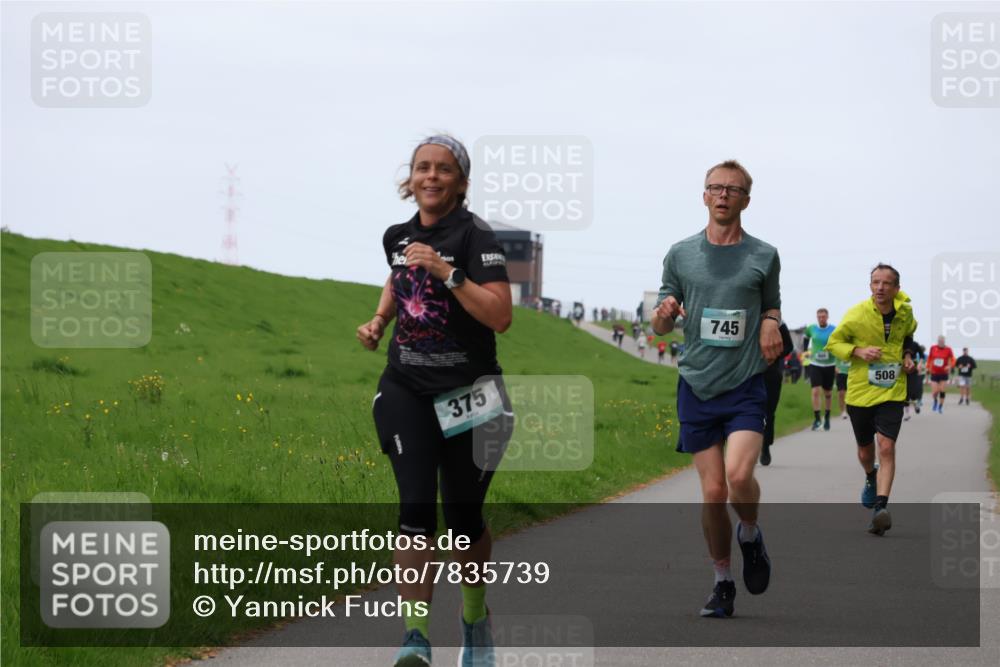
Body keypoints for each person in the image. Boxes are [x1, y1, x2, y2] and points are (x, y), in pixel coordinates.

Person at [357, 135, 514, 667]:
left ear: (461, 182)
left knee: (465, 520)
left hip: (472, 396)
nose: (430, 176)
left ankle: (474, 621)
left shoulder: (477, 237)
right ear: (411, 177)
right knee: (416, 509)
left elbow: (500, 316)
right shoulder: (397, 236)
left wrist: (448, 272)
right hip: (406, 388)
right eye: (422, 167)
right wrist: (380, 319)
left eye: (443, 169)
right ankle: (416, 638)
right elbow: (397, 276)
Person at [652, 159, 782, 618]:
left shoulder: (764, 255)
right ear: (704, 196)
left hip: (745, 382)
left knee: (739, 477)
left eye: (733, 189)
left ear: (747, 199)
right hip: (697, 383)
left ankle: (750, 532)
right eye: (715, 187)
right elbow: (660, 323)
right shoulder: (681, 254)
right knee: (712, 493)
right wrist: (664, 313)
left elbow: (771, 305)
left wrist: (770, 322)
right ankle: (722, 581)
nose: (723, 195)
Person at [827, 263, 917, 536]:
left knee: (886, 447)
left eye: (886, 283)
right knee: (866, 452)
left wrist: (908, 356)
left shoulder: (905, 312)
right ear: (870, 286)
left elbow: (908, 336)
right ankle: (870, 475)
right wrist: (858, 351)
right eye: (876, 282)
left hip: (892, 390)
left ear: (896, 288)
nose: (880, 287)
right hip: (861, 392)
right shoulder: (857, 314)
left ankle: (881, 508)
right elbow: (834, 343)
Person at [760, 323, 794, 466]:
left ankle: (765, 446)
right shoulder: (748, 319)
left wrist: (774, 354)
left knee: (769, 412)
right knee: (748, 410)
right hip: (749, 374)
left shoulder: (779, 324)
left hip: (771, 373)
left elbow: (789, 346)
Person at [803, 308, 837, 431]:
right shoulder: (811, 328)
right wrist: (805, 351)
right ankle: (817, 419)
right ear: (817, 317)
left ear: (827, 317)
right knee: (815, 391)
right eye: (819, 317)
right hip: (815, 364)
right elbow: (805, 337)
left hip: (830, 364)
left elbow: (838, 343)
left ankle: (827, 417)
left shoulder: (833, 329)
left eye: (823, 317)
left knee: (828, 393)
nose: (821, 319)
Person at [927, 336, 956, 413]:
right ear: (937, 341)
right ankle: (935, 401)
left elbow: (953, 359)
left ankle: (940, 406)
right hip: (934, 373)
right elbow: (929, 358)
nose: (941, 342)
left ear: (944, 342)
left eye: (942, 341)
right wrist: (928, 367)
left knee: (942, 390)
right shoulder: (933, 348)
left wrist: (950, 366)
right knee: (935, 392)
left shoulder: (948, 349)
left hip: (943, 373)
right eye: (939, 341)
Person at [903, 341, 926, 420]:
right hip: (903, 368)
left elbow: (922, 355)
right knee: (905, 391)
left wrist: (920, 364)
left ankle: (915, 404)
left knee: (912, 390)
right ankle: (907, 414)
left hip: (913, 368)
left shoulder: (915, 344)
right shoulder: (900, 342)